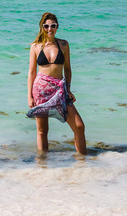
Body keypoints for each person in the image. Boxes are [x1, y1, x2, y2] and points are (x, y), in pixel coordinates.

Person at [27, 12, 86, 154]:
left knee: (79, 126)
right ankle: (43, 165)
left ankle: (84, 161)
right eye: (46, 26)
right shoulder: (36, 46)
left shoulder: (64, 45)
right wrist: (29, 96)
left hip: (60, 90)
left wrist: (69, 89)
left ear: (57, 27)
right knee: (42, 131)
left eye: (53, 26)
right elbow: (31, 73)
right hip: (40, 90)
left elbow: (67, 69)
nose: (49, 29)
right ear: (42, 27)